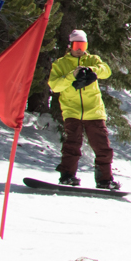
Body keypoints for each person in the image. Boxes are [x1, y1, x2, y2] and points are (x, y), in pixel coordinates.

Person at [47, 29, 117, 190]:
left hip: (94, 111)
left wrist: (92, 71)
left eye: (83, 44)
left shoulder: (92, 59)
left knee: (102, 147)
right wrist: (72, 76)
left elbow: (106, 70)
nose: (80, 49)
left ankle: (105, 179)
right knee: (72, 144)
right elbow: (55, 86)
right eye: (77, 45)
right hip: (72, 111)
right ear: (70, 45)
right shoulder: (60, 64)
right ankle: (67, 176)